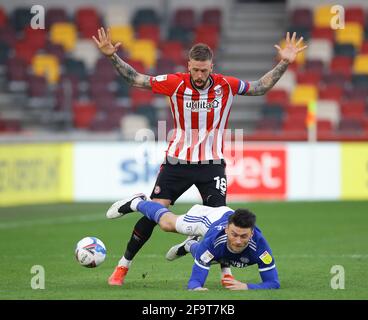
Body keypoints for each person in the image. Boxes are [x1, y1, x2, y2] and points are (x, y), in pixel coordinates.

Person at [92, 28, 306, 286]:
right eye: (195, 70)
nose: (200, 75)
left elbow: (260, 88)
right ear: (189, 66)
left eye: (205, 70)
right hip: (177, 161)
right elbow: (137, 79)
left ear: (211, 67)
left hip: (212, 165)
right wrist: (111, 57)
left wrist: (284, 62)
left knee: (222, 221)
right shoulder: (175, 82)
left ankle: (225, 273)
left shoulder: (225, 85)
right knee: (155, 213)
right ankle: (123, 266)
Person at [106, 193, 280, 290]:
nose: (238, 240)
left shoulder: (260, 246)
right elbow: (194, 283)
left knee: (213, 256)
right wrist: (197, 289)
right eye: (234, 234)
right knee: (167, 224)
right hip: (208, 220)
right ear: (227, 229)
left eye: (244, 236)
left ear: (251, 235)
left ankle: (189, 245)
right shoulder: (214, 240)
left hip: (217, 237)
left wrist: (246, 287)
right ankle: (137, 202)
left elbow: (273, 283)